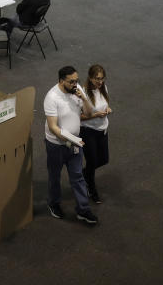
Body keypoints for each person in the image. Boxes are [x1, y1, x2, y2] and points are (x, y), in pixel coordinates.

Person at [44, 66, 99, 225]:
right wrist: (71, 141)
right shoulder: (52, 97)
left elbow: (88, 114)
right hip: (56, 145)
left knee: (77, 177)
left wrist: (84, 99)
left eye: (77, 81)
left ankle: (83, 209)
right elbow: (53, 127)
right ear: (61, 81)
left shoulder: (77, 90)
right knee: (55, 177)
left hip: (74, 143)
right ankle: (53, 203)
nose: (75, 84)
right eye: (71, 82)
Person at [80, 64, 111, 204]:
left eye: (102, 78)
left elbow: (105, 104)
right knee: (92, 161)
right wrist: (95, 115)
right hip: (88, 131)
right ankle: (91, 189)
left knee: (104, 159)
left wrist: (108, 109)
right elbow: (78, 117)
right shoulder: (83, 93)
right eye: (97, 79)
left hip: (102, 129)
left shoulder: (103, 88)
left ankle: (83, 174)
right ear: (90, 78)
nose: (100, 82)